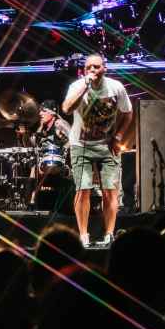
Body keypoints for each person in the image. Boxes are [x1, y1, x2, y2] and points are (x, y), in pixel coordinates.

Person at [62, 54, 132, 247]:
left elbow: (128, 113)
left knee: (110, 191)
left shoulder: (116, 87)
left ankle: (109, 234)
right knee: (83, 189)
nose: (92, 70)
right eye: (88, 67)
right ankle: (83, 235)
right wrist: (85, 85)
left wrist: (118, 137)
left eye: (96, 67)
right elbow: (66, 109)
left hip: (107, 145)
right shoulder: (77, 86)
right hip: (81, 144)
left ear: (104, 68)